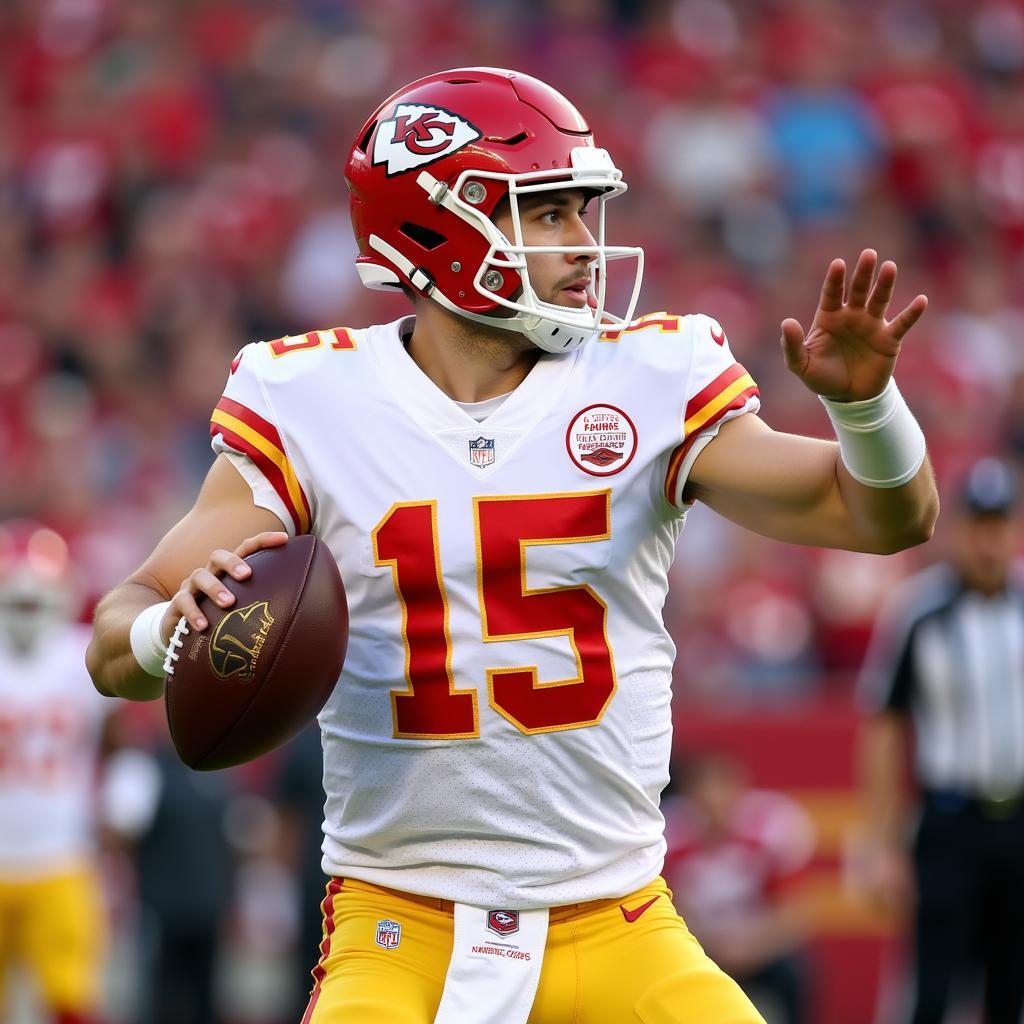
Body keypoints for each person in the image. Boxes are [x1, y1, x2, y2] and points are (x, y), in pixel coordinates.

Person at [86, 67, 939, 1024]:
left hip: (616, 920)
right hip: (399, 922)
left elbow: (887, 518)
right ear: (436, 229)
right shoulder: (312, 401)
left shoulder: (647, 374)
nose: (586, 246)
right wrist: (174, 626)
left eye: (583, 211)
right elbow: (114, 639)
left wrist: (863, 406)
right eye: (549, 214)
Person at [857, 457, 1024, 1024]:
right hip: (949, 824)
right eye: (978, 525)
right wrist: (881, 846)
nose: (988, 540)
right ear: (956, 530)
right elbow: (883, 726)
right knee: (933, 986)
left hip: (1018, 821)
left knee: (1011, 986)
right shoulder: (918, 612)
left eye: (999, 525)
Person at [0, 520, 114, 1024]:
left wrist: (125, 778)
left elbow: (128, 728)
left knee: (70, 999)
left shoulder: (80, 655)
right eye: (16, 602)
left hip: (61, 856)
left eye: (34, 601)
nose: (26, 615)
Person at [663, 752, 815, 1024]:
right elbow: (669, 911)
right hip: (700, 949)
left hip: (760, 947)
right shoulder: (671, 842)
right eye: (704, 789)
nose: (713, 800)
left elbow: (793, 914)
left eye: (721, 787)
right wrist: (711, 946)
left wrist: (751, 947)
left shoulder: (768, 833)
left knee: (794, 971)